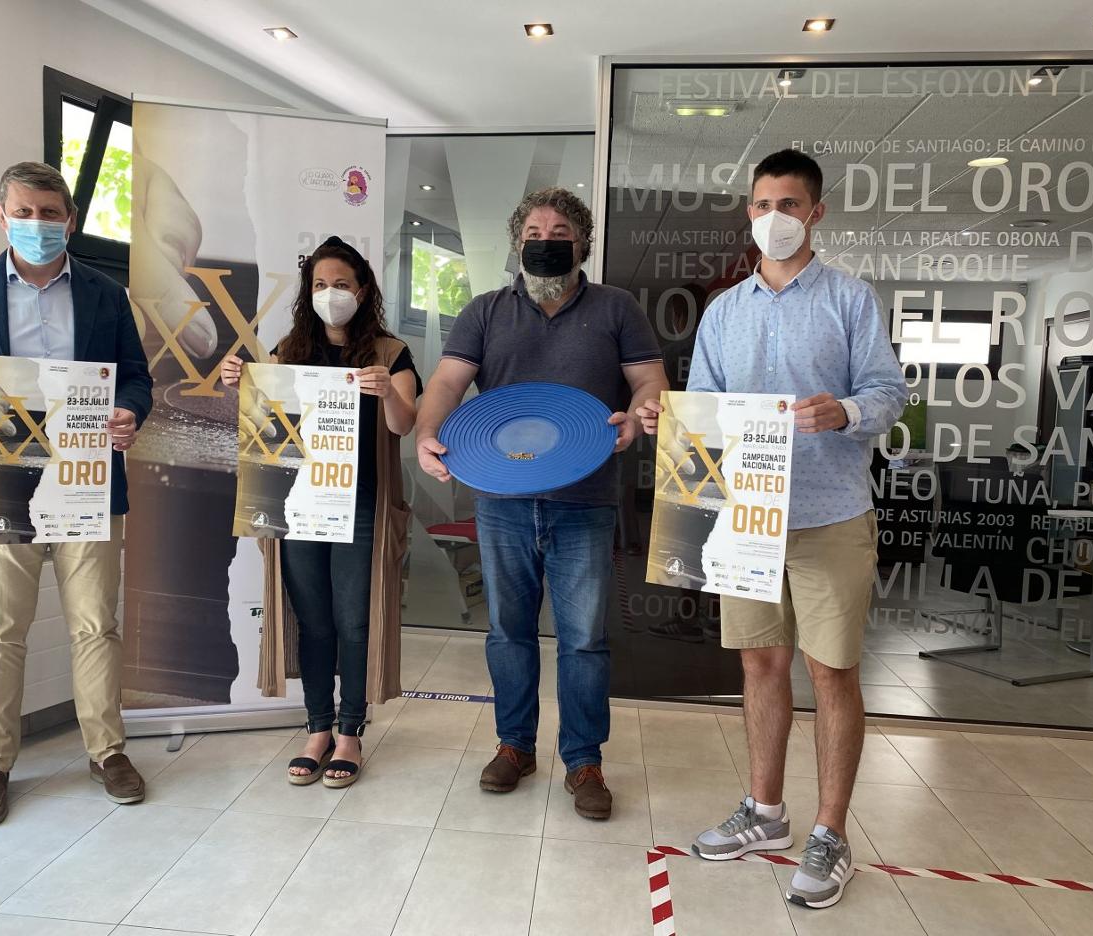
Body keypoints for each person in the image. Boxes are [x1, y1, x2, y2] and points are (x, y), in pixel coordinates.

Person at [638, 149, 905, 908]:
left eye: (789, 205)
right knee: (759, 665)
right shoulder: (726, 310)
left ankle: (830, 833)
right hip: (745, 518)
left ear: (816, 213)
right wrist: (672, 417)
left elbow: (890, 390)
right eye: (761, 205)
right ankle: (765, 813)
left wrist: (846, 411)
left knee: (832, 673)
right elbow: (712, 414)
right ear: (748, 213)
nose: (773, 218)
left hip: (829, 513)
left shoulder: (851, 299)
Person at [416, 188, 667, 820]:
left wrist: (641, 415)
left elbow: (648, 381)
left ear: (581, 242)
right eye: (533, 228)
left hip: (584, 497)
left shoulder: (616, 308)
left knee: (582, 638)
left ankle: (584, 760)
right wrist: (427, 431)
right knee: (508, 630)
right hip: (500, 497)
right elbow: (447, 381)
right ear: (516, 241)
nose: (544, 238)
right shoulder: (485, 310)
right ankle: (515, 746)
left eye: (558, 229)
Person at [0, 161, 153, 826]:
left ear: (70, 220)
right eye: (23, 213)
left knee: (95, 628)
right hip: (1, 483)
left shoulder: (108, 296)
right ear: (2, 217)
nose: (37, 225)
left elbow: (135, 378)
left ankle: (108, 753)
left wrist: (129, 413)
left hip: (88, 483)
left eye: (50, 214)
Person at [221, 237, 419, 787]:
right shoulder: (289, 349)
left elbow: (405, 425)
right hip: (300, 507)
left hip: (360, 508)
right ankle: (317, 727)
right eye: (320, 285)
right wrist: (244, 385)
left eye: (342, 285)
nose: (331, 295)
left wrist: (389, 396)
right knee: (313, 621)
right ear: (309, 294)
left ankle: (351, 732)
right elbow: (269, 426)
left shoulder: (390, 353)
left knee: (354, 621)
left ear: (363, 290)